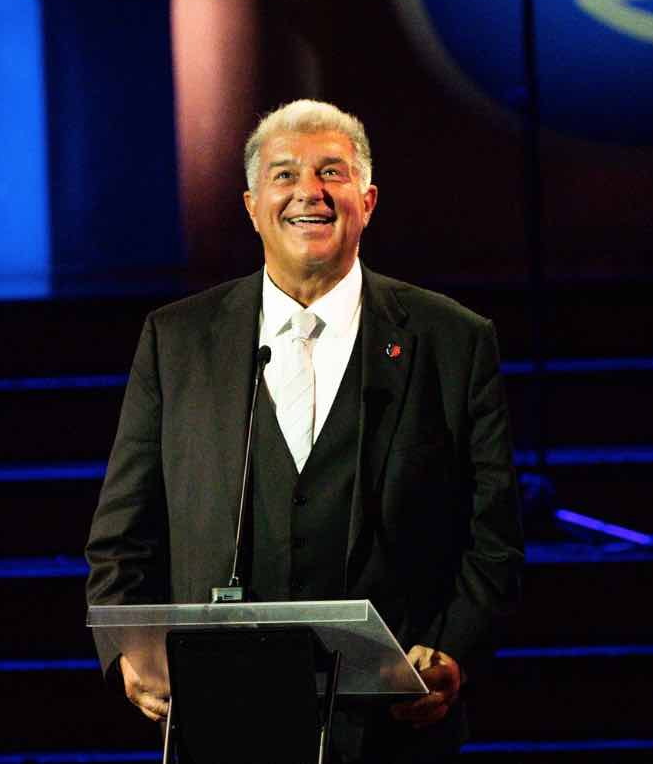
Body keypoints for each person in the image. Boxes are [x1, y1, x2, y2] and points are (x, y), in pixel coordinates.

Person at [86, 99, 523, 762]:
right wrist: (128, 654)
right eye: (284, 175)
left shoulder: (452, 341)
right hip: (220, 722)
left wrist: (452, 649)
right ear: (252, 206)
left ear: (367, 202)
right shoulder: (176, 341)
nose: (308, 192)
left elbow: (493, 538)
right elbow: (121, 536)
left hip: (393, 730)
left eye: (331, 173)